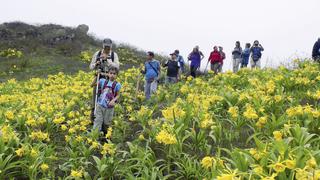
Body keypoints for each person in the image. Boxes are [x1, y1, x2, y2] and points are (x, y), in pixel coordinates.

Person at [89, 38, 120, 121]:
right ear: (103, 46)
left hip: (110, 80)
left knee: (108, 98)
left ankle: (105, 120)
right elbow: (91, 66)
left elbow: (117, 67)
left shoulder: (114, 55)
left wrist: (107, 60)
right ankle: (94, 117)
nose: (107, 49)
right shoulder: (97, 53)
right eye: (105, 47)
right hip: (99, 78)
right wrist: (96, 63)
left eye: (108, 47)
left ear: (111, 46)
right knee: (96, 97)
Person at [92, 67, 121, 137]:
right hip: (100, 105)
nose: (112, 75)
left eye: (114, 74)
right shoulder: (102, 81)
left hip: (109, 107)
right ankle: (95, 135)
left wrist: (113, 100)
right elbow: (92, 85)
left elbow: (118, 95)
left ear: (117, 75)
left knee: (106, 122)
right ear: (108, 74)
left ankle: (106, 135)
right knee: (98, 120)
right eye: (110, 73)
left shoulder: (117, 84)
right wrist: (96, 76)